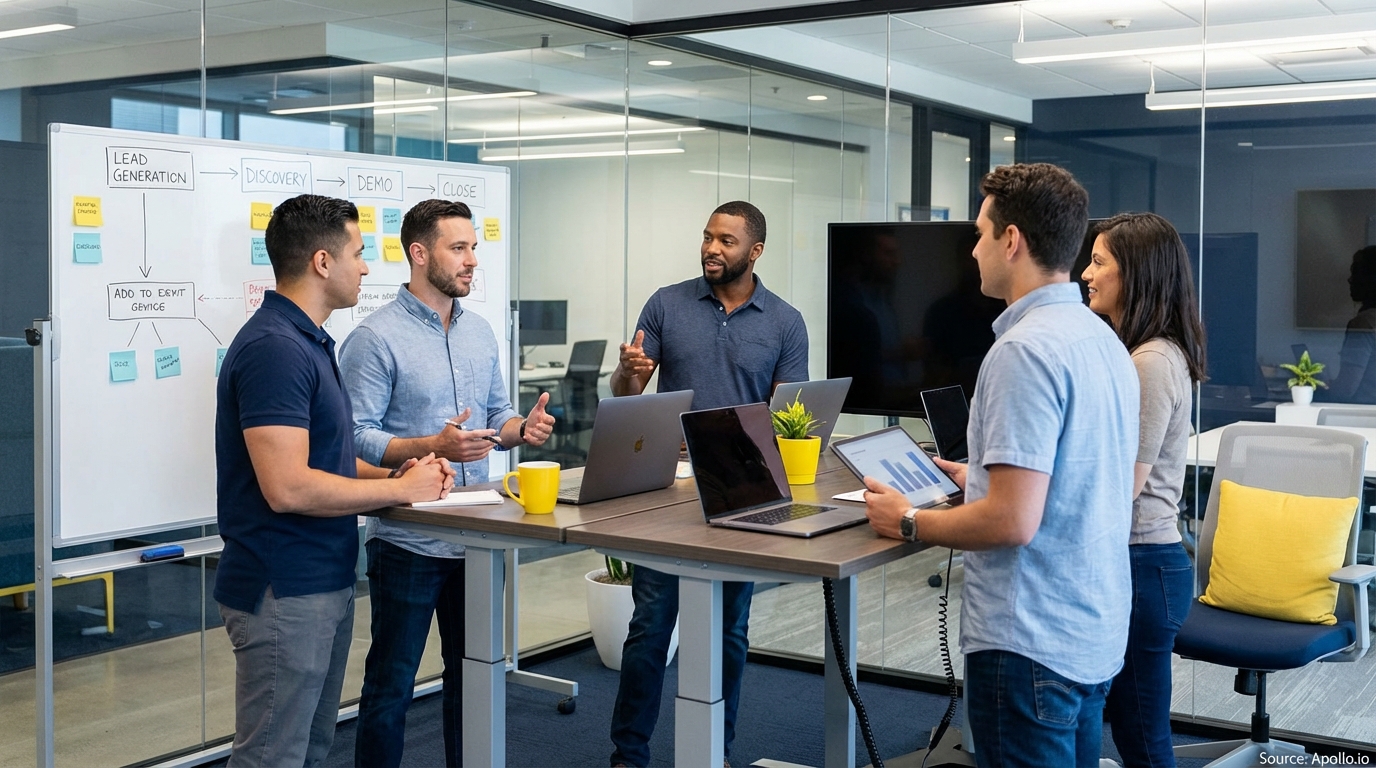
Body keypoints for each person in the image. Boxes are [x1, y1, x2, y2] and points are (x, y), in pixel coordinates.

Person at [862, 163, 1139, 768]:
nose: (974, 249)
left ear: (1011, 241)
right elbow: (1081, 477)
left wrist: (907, 520)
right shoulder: (1102, 341)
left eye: (981, 233)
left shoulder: (1023, 351)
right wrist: (980, 479)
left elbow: (1012, 522)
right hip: (1091, 629)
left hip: (1029, 642)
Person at [214, 194, 454, 768]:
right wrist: (400, 491)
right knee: (273, 756)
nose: (367, 267)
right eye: (359, 253)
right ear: (323, 262)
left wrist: (399, 471)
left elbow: (328, 459)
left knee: (310, 748)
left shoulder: (310, 341)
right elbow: (289, 487)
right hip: (284, 588)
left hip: (319, 581)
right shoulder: (276, 349)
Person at [338, 198, 556, 768]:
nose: (472, 261)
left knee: (476, 679)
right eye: (458, 248)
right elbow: (351, 436)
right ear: (418, 253)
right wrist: (431, 447)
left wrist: (520, 429)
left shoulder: (480, 333)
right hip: (408, 541)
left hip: (478, 539)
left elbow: (498, 418)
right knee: (391, 687)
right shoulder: (374, 338)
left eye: (474, 248)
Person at [608, 200, 809, 768]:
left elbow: (791, 418)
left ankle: (715, 752)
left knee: (728, 633)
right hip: (668, 489)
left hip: (741, 490)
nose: (712, 249)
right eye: (707, 237)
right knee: (649, 627)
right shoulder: (666, 304)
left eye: (726, 240)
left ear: (755, 251)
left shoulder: (785, 321)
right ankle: (628, 756)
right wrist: (629, 373)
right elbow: (626, 399)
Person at [1083, 212, 1206, 768]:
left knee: (1143, 735)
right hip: (1148, 562)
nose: (1086, 273)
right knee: (1136, 726)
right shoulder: (1150, 353)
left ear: (1136, 275)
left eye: (1099, 262)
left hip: (1144, 564)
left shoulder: (1150, 362)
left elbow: (1124, 484)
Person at [1325, 245, 1376, 404]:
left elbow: (1346, 389)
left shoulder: (1364, 323)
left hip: (1360, 418)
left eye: (1355, 273)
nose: (1350, 280)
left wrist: (1308, 392)